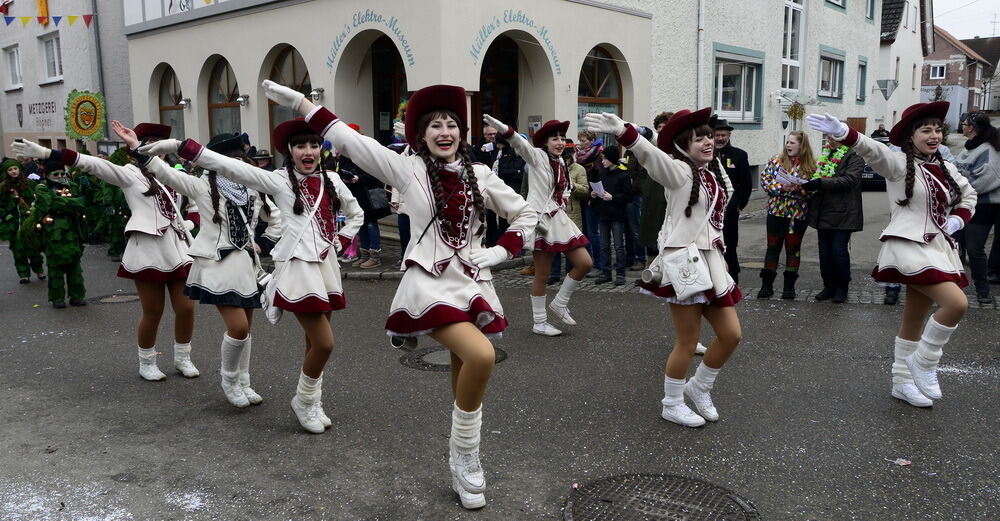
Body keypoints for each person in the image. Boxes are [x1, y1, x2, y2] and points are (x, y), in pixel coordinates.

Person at [263, 79, 536, 510]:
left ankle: (460, 458)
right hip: (427, 284)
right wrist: (303, 104)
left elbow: (525, 210)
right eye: (435, 126)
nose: (445, 132)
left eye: (451, 125)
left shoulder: (480, 174)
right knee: (481, 356)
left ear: (461, 134)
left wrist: (502, 249)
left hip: (471, 283)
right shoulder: (406, 170)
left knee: (465, 365)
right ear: (421, 135)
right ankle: (465, 456)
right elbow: (351, 141)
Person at [143, 116, 363, 432]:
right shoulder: (274, 180)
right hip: (287, 270)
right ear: (290, 150)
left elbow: (356, 213)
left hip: (321, 268)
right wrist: (174, 147)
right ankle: (296, 398)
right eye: (301, 145)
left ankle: (310, 400)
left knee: (309, 341)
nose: (309, 150)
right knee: (322, 342)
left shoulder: (332, 180)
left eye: (314, 144)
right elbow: (221, 166)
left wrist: (341, 239)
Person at [807, 102, 976, 408]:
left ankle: (902, 382)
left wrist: (958, 218)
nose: (934, 134)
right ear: (911, 136)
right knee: (956, 303)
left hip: (938, 249)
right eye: (926, 129)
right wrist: (845, 132)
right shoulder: (898, 163)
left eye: (937, 129)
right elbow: (872, 150)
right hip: (909, 248)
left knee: (914, 317)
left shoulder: (947, 168)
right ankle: (924, 363)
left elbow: (969, 195)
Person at [586, 108, 742, 428]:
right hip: (684, 264)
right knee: (687, 342)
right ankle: (671, 403)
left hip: (712, 265)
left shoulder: (708, 174)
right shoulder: (679, 172)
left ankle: (699, 387)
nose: (709, 143)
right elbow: (652, 156)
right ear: (685, 146)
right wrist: (626, 132)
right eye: (700, 139)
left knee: (731, 335)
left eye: (709, 136)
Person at [13, 124, 199, 381]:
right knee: (153, 311)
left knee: (186, 307)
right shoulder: (128, 174)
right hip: (148, 248)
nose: (157, 148)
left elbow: (194, 200)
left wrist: (192, 222)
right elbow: (91, 164)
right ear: (137, 147)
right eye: (150, 142)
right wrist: (47, 154)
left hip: (178, 247)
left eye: (160, 143)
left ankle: (183, 357)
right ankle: (147, 361)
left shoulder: (169, 174)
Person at [129, 129, 281, 408]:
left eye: (240, 157)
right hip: (218, 266)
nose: (237, 162)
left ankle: (243, 381)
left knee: (247, 329)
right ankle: (228, 378)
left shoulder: (252, 187)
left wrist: (262, 243)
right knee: (237, 327)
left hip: (247, 266)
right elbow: (165, 173)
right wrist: (137, 147)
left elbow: (276, 217)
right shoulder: (200, 185)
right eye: (231, 158)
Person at [484, 114, 594, 337]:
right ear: (545, 142)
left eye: (562, 138)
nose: (560, 142)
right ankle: (539, 322)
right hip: (542, 220)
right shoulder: (536, 157)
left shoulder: (561, 161)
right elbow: (519, 142)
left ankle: (560, 303)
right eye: (554, 138)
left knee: (585, 263)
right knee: (542, 274)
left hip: (559, 218)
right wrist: (502, 127)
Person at [802, 133, 864, 303]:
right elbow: (819, 175)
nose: (830, 139)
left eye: (835, 136)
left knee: (838, 252)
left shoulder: (855, 155)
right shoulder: (826, 154)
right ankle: (828, 285)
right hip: (823, 211)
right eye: (828, 136)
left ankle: (842, 287)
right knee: (824, 252)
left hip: (844, 213)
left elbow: (850, 179)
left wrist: (821, 183)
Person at [757, 131, 816, 299]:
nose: (788, 145)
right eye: (787, 142)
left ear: (801, 145)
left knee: (793, 249)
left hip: (798, 214)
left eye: (792, 143)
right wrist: (782, 188)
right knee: (772, 247)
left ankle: (789, 287)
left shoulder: (811, 166)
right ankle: (766, 286)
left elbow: (815, 190)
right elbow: (766, 182)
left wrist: (801, 189)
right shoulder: (776, 161)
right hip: (776, 211)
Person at [953, 112, 1000, 304]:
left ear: (971, 127)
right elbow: (955, 171)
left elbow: (988, 179)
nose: (961, 126)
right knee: (956, 248)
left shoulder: (989, 149)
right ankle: (954, 289)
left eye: (963, 123)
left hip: (983, 207)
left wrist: (960, 190)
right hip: (962, 205)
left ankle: (983, 290)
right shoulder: (967, 149)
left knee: (974, 249)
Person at [30, 161, 87, 308]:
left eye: (62, 173)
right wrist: (70, 203)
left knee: (74, 264)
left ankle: (76, 296)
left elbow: (81, 203)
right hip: (52, 230)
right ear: (47, 174)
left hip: (72, 229)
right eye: (56, 174)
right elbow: (49, 203)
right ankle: (57, 298)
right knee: (55, 265)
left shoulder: (71, 186)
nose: (60, 176)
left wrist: (68, 203)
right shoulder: (41, 188)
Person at [338, 124, 390, 269]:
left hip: (369, 195)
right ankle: (365, 254)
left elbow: (377, 174)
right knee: (361, 224)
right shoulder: (344, 155)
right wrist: (345, 179)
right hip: (355, 195)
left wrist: (358, 178)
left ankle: (375, 256)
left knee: (371, 224)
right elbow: (342, 172)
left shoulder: (367, 153)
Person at [710, 116, 752, 284]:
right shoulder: (706, 154)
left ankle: (732, 276)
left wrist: (739, 205)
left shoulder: (739, 155)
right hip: (709, 210)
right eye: (717, 135)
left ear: (729, 136)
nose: (720, 138)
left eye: (723, 135)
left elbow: (746, 184)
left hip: (729, 211)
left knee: (730, 244)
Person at [548, 140, 589, 284]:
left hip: (572, 212)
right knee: (554, 243)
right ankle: (554, 274)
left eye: (567, 157)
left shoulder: (579, 169)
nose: (565, 160)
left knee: (572, 244)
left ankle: (571, 274)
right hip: (555, 211)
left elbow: (585, 190)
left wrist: (572, 184)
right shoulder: (552, 166)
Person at [0, 159, 45, 283]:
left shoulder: (29, 183)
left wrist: (35, 211)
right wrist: (5, 215)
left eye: (15, 169)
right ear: (6, 172)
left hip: (29, 219)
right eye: (10, 170)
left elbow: (39, 198)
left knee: (33, 247)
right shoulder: (3, 187)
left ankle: (39, 270)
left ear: (19, 169)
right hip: (13, 222)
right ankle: (23, 274)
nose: (13, 172)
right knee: (18, 249)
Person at [592, 145, 630, 285]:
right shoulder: (602, 174)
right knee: (604, 245)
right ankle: (605, 272)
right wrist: (595, 194)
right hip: (603, 214)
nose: (603, 161)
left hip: (617, 215)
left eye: (605, 159)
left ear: (612, 159)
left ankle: (620, 274)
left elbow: (627, 197)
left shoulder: (623, 174)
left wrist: (613, 197)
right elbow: (600, 191)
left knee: (619, 246)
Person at [575, 129, 604, 271]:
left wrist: (594, 191)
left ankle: (598, 263)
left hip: (593, 197)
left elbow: (599, 175)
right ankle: (588, 261)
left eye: (584, 141)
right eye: (580, 140)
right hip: (583, 196)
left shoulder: (598, 154)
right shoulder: (578, 156)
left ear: (592, 141)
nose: (581, 144)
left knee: (593, 232)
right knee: (585, 232)